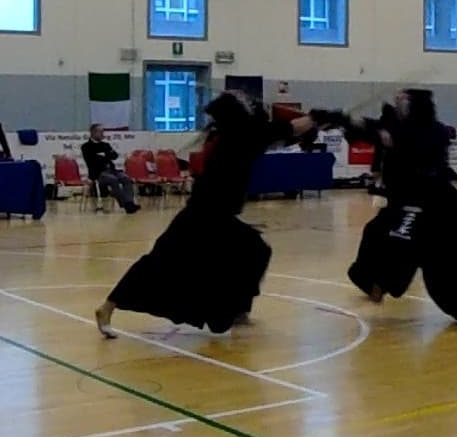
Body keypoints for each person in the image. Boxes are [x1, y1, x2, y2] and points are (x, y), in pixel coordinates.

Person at [95, 92, 322, 338]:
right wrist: (317, 118)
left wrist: (316, 120)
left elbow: (281, 133)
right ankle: (107, 308)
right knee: (160, 263)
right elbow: (284, 129)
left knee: (253, 251)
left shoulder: (231, 137)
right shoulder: (239, 139)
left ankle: (237, 310)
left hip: (214, 214)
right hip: (206, 214)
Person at [336, 89, 457, 324]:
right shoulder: (400, 127)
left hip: (436, 204)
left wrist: (362, 125)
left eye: (403, 100)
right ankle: (376, 288)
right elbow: (376, 132)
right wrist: (339, 120)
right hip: (407, 202)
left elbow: (388, 136)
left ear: (416, 105)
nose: (397, 103)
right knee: (377, 233)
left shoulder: (433, 131)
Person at [81, 124, 139, 214]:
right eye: (100, 132)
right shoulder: (86, 147)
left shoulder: (105, 145)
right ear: (93, 132)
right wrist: (106, 156)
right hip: (98, 173)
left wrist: (104, 156)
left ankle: (129, 202)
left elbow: (114, 156)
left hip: (112, 170)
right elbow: (92, 161)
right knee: (113, 180)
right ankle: (126, 204)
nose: (102, 134)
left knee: (126, 178)